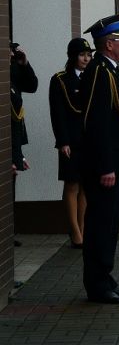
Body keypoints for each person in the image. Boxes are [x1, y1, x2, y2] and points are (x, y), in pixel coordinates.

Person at [78, 14, 119, 304]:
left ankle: (105, 278)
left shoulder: (111, 71)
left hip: (115, 164)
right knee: (100, 226)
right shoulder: (99, 73)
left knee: (110, 225)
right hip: (104, 167)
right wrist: (106, 167)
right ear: (109, 44)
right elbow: (96, 124)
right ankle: (97, 285)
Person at [49, 38, 93, 249]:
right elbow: (57, 113)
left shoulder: (93, 77)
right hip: (71, 141)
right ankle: (74, 231)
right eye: (82, 55)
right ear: (73, 56)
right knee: (72, 184)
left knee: (85, 185)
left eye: (89, 55)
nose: (86, 59)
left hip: (89, 140)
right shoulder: (60, 80)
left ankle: (83, 228)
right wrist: (63, 141)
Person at [10, 42, 38, 247]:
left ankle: (8, 232)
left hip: (14, 139)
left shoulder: (13, 70)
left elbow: (32, 86)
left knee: (10, 186)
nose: (12, 55)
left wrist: (24, 64)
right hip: (8, 139)